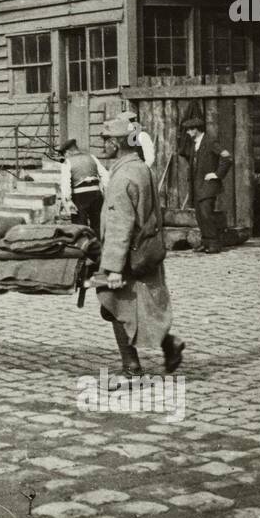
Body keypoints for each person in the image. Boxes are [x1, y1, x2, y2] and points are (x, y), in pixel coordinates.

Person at [96, 116, 185, 376]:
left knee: (113, 305)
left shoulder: (123, 176)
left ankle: (131, 366)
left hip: (127, 256)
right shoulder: (142, 168)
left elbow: (119, 224)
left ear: (116, 143)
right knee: (136, 307)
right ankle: (169, 346)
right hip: (145, 249)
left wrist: (112, 268)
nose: (104, 146)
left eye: (106, 140)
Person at [178, 114, 232, 254]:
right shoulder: (195, 144)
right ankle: (205, 242)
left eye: (190, 130)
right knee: (200, 215)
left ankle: (214, 244)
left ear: (196, 129)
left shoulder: (210, 141)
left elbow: (226, 157)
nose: (188, 133)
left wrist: (217, 174)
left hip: (208, 185)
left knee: (206, 213)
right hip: (197, 186)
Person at [57, 138, 106, 236]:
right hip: (96, 194)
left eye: (64, 154)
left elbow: (65, 182)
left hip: (79, 197)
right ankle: (98, 247)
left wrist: (68, 200)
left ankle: (83, 248)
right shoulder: (92, 157)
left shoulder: (68, 162)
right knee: (97, 224)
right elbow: (105, 175)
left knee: (79, 227)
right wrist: (105, 192)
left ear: (68, 152)